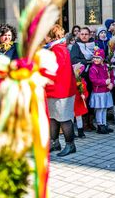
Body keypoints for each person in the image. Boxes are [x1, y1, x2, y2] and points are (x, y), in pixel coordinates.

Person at [43, 25, 78, 157]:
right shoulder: (54, 48)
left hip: (61, 90)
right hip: (54, 89)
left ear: (52, 36)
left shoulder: (58, 50)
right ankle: (54, 142)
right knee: (53, 118)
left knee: (64, 118)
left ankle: (70, 144)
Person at [88, 48, 114, 134]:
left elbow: (112, 76)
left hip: (106, 91)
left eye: (98, 57)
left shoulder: (106, 67)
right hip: (99, 92)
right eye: (94, 57)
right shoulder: (93, 68)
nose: (96, 59)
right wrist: (104, 82)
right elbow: (93, 80)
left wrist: (112, 84)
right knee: (99, 109)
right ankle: (100, 125)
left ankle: (104, 123)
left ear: (102, 59)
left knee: (104, 108)